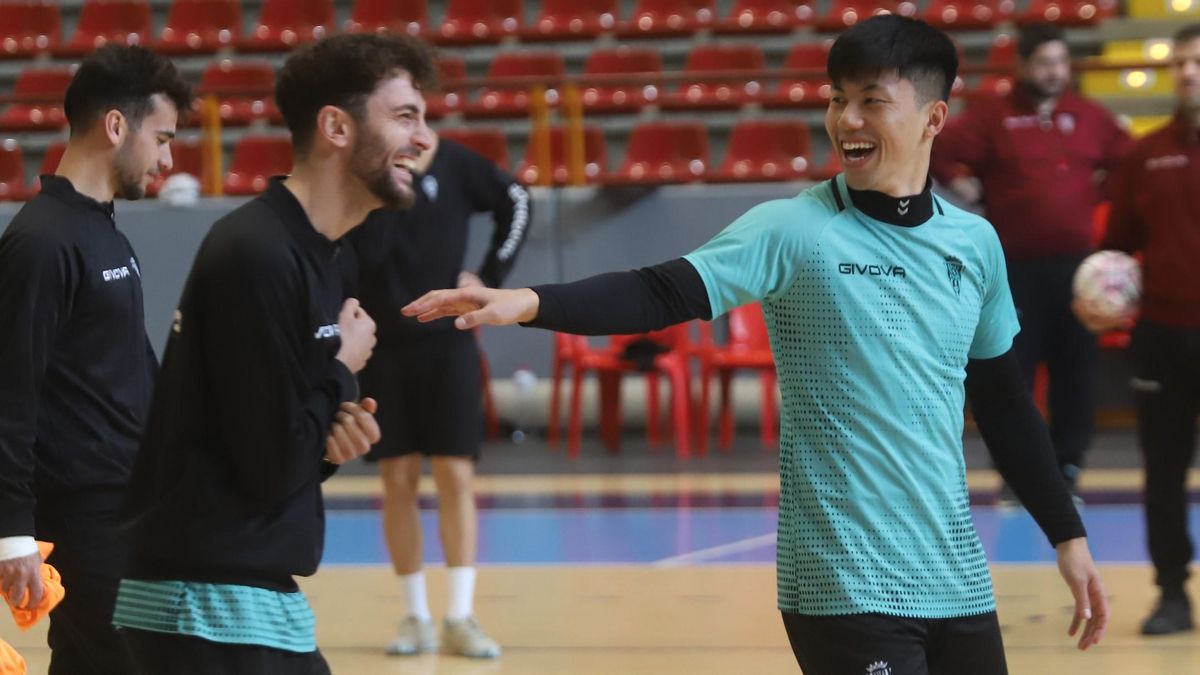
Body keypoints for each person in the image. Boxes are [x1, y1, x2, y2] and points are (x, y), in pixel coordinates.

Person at [403, 16, 1108, 673]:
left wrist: (1066, 534)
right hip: (842, 578)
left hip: (954, 572)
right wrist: (527, 301)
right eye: (837, 99)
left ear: (932, 118)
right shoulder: (792, 229)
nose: (847, 121)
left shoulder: (973, 242)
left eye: (870, 101)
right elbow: (661, 291)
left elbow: (1004, 398)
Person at [111, 34, 434, 674]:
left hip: (246, 591)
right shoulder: (256, 252)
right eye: (405, 116)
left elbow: (274, 450)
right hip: (202, 604)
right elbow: (269, 461)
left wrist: (330, 439)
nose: (424, 138)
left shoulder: (328, 256)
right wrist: (341, 370)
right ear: (337, 126)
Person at [0, 45, 191, 674]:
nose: (168, 159)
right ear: (116, 126)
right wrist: (15, 535)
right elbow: (10, 393)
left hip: (129, 508)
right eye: (161, 137)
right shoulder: (41, 241)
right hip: (82, 522)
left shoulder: (104, 229)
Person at [930, 23, 1132, 503]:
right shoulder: (993, 117)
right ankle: (1017, 476)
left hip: (1079, 272)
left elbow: (1129, 160)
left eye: (1061, 63)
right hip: (1015, 271)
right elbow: (940, 149)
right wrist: (963, 187)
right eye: (1044, 63)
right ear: (1022, 65)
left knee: (1076, 375)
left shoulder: (1089, 117)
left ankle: (1067, 470)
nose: (1054, 73)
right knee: (1012, 375)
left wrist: (1097, 193)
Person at [348, 129, 530, 659]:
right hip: (382, 346)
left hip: (448, 344)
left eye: (415, 109)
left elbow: (518, 199)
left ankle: (460, 615)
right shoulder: (369, 170)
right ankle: (416, 616)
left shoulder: (455, 164)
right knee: (396, 476)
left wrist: (492, 276)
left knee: (455, 474)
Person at [1075, 23, 1200, 637]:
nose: (1187, 73)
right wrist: (1099, 293)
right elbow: (1117, 249)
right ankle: (1172, 593)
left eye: (1198, 62)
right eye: (1181, 63)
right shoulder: (1146, 156)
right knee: (1164, 470)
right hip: (1164, 338)